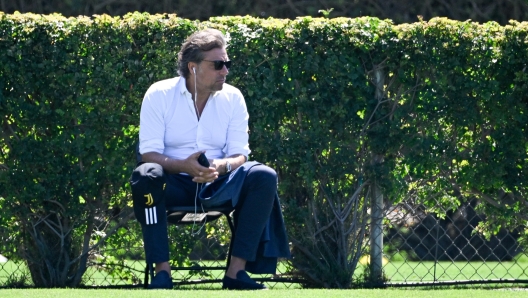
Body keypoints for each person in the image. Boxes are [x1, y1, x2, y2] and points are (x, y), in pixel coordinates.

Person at [130, 28, 290, 290]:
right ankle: (162, 273)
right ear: (193, 68)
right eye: (218, 64)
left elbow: (240, 153)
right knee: (146, 174)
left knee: (263, 175)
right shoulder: (159, 94)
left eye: (227, 63)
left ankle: (236, 273)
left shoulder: (233, 97)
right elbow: (148, 153)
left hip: (218, 184)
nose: (225, 71)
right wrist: (184, 165)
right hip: (171, 185)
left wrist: (221, 166)